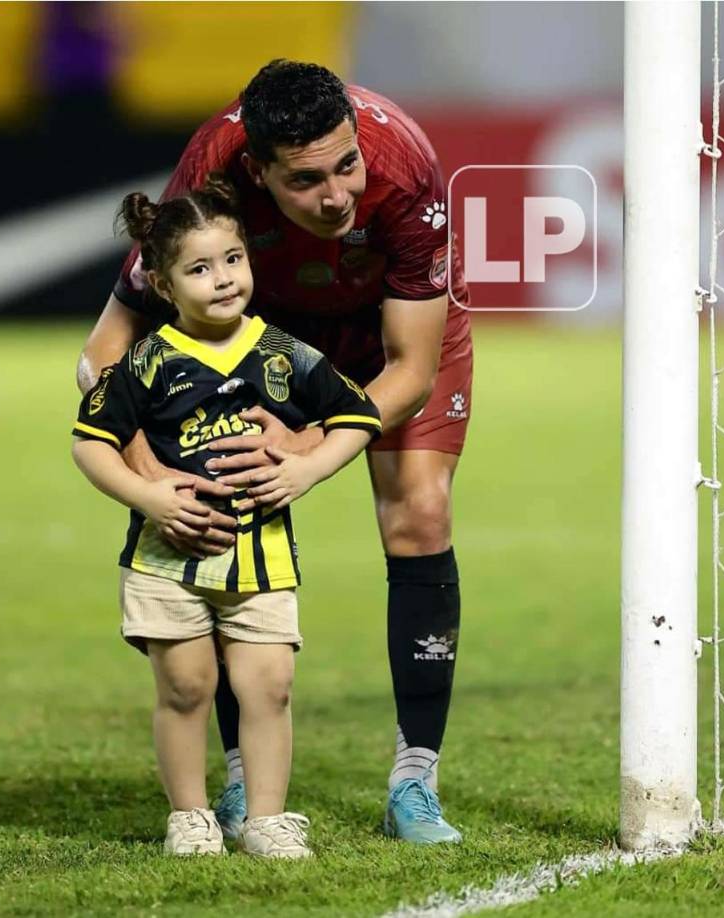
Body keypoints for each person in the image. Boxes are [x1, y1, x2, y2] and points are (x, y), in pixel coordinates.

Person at [78, 60, 473, 845]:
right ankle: (234, 782)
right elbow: (104, 351)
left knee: (420, 513)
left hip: (383, 337)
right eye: (305, 180)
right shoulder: (211, 167)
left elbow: (411, 367)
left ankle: (414, 781)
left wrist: (310, 451)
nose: (336, 196)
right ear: (255, 172)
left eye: (346, 165)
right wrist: (150, 473)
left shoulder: (407, 173)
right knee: (215, 504)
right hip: (256, 335)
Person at [71, 175, 382, 858]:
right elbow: (88, 445)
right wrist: (149, 497)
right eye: (199, 268)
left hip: (261, 559)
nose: (221, 279)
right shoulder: (147, 363)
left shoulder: (282, 354)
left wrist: (304, 467)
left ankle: (267, 818)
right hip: (166, 563)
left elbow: (357, 415)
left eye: (232, 260)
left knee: (268, 686)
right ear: (160, 283)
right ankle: (189, 816)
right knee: (186, 687)